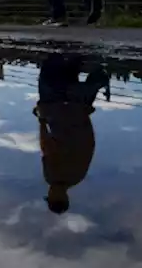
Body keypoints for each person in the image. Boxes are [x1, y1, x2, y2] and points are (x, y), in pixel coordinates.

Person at [35, 53, 109, 215]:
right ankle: (63, 50)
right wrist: (41, 120)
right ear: (59, 197)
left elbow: (89, 142)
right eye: (51, 196)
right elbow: (47, 146)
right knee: (48, 71)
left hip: (79, 110)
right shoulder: (53, 177)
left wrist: (82, 115)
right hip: (57, 109)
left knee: (67, 69)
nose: (50, 192)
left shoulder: (78, 177)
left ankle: (74, 53)